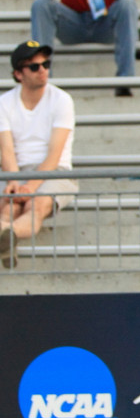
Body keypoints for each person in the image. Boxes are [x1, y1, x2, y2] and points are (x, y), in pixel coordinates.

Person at [0, 41, 77, 270]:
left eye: (46, 64)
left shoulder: (61, 99)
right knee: (9, 207)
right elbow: (6, 150)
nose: (42, 70)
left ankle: (6, 236)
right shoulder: (4, 103)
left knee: (38, 205)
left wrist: (30, 186)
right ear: (18, 74)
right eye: (34, 67)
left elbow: (54, 155)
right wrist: (14, 181)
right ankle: (6, 242)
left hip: (56, 171)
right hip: (17, 169)